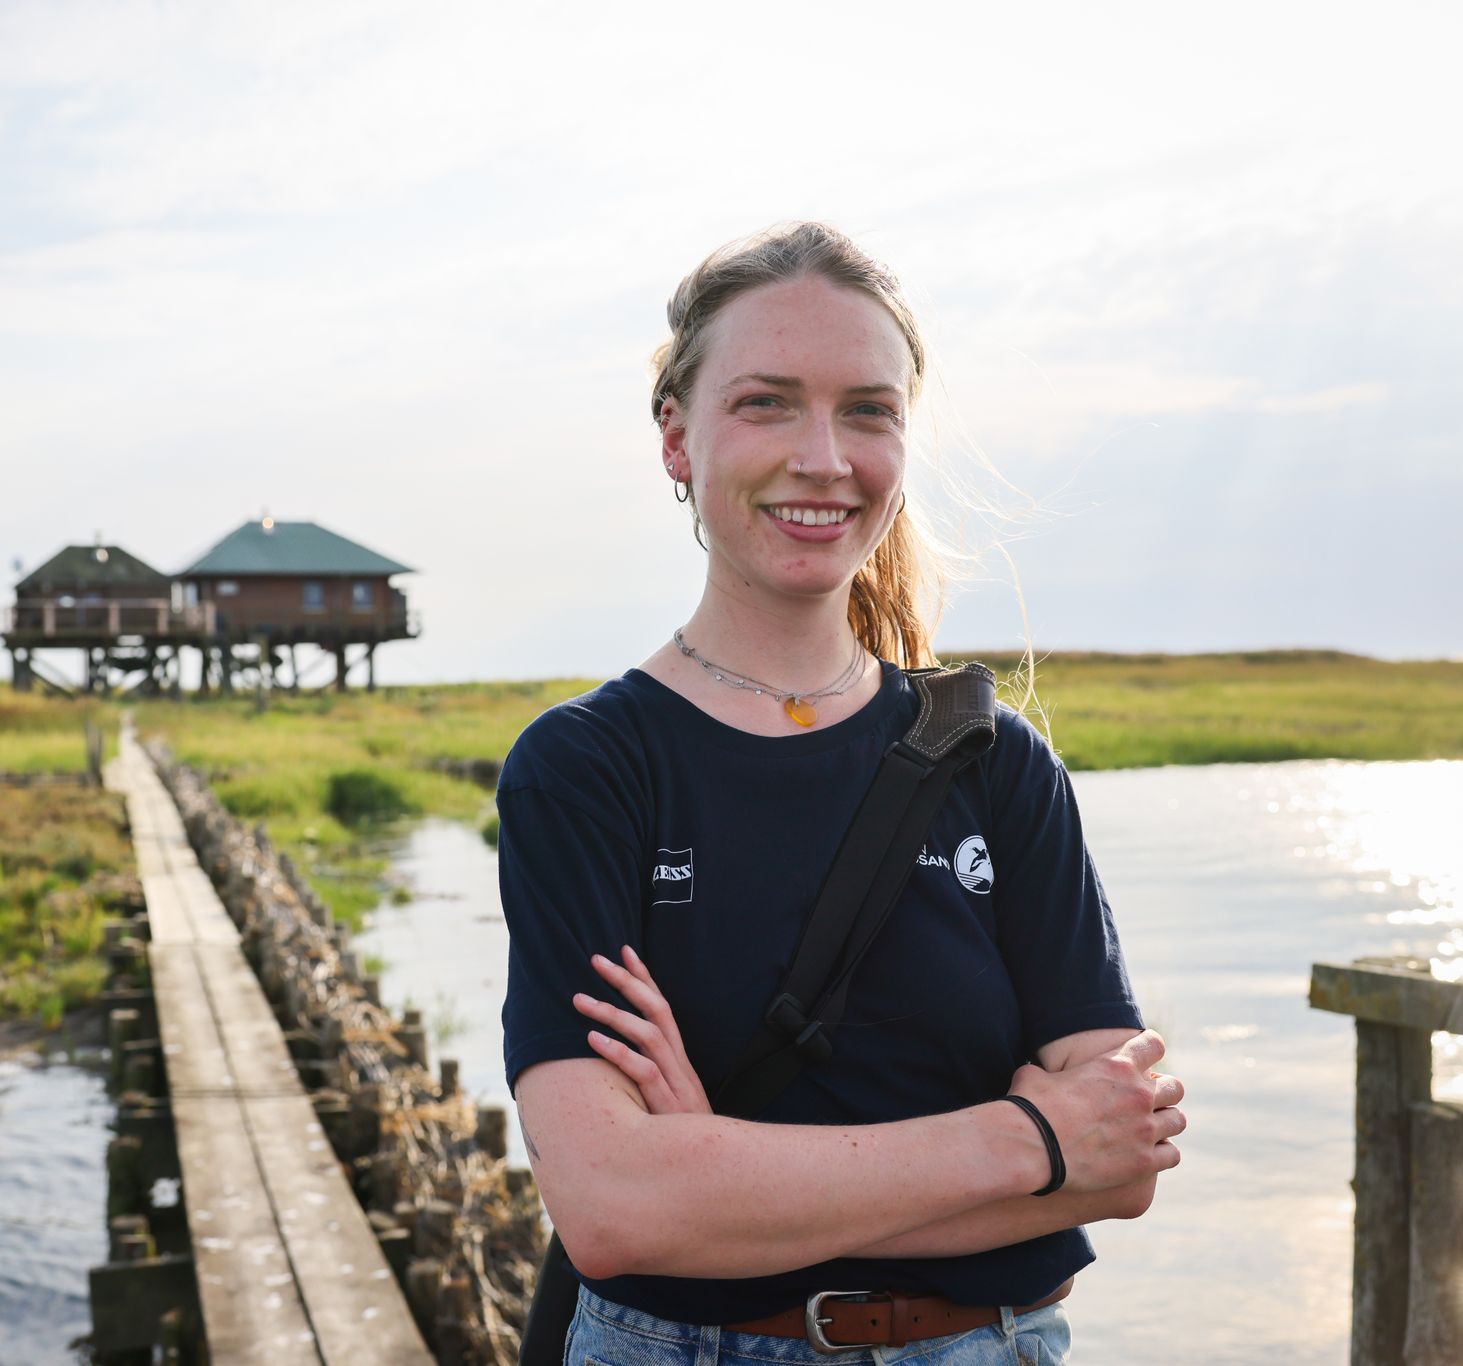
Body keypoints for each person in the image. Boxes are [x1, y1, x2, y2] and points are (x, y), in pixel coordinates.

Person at [497, 222, 1185, 1366]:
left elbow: (1117, 1166)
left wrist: (717, 1161)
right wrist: (1027, 1139)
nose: (824, 456)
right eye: (767, 402)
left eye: (867, 410)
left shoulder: (993, 761)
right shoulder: (588, 766)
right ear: (676, 437)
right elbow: (614, 1207)